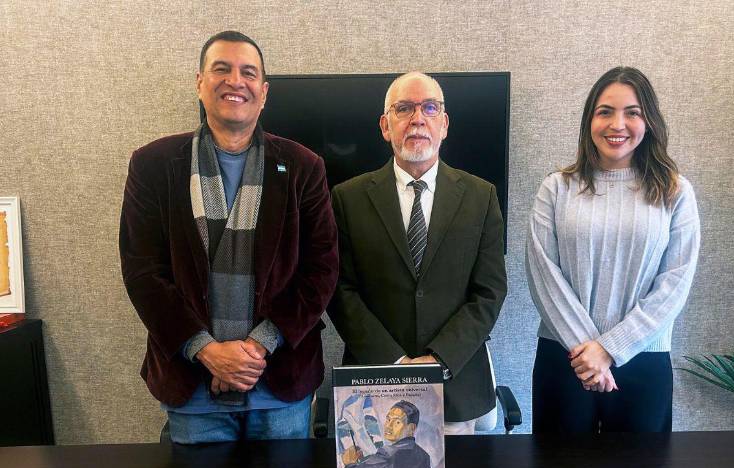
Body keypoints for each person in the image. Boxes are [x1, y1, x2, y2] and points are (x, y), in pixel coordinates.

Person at [119, 31, 338, 443]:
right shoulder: (153, 165)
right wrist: (206, 351)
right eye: (221, 69)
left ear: (264, 91)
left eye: (248, 72)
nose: (235, 81)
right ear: (199, 82)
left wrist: (255, 349)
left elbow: (322, 268)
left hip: (280, 386)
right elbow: (141, 272)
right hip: (192, 388)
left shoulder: (303, 166)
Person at [328, 72, 507, 435]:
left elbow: (489, 291)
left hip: (455, 384)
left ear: (444, 124)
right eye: (404, 108)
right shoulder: (347, 198)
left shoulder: (480, 196)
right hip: (373, 385)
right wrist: (396, 364)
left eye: (429, 108)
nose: (417, 118)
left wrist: (436, 360)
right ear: (385, 125)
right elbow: (339, 290)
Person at [525, 66, 700, 433]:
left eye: (632, 112)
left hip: (643, 359)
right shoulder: (556, 188)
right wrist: (586, 352)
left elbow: (675, 283)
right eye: (605, 111)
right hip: (564, 357)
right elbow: (543, 275)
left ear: (648, 121)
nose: (617, 124)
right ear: (590, 119)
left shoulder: (675, 191)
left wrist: (608, 349)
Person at [341, 400, 437, 468]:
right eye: (388, 419)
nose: (388, 426)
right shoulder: (423, 455)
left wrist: (350, 463)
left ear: (411, 428)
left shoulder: (389, 454)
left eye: (397, 422)